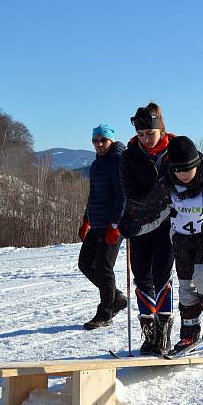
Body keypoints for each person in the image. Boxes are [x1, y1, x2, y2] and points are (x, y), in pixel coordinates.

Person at [118, 103, 175, 356]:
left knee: (162, 273)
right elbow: (131, 192)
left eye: (149, 134)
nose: (145, 139)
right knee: (141, 275)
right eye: (141, 135)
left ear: (161, 129)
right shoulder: (130, 156)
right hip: (141, 223)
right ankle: (149, 330)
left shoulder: (175, 150)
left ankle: (164, 333)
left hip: (168, 224)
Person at [160, 136, 203, 351]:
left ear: (196, 164)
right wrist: (130, 220)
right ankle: (189, 332)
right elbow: (147, 206)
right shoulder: (167, 181)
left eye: (187, 170)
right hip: (181, 237)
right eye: (178, 171)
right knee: (186, 286)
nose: (183, 176)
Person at [77, 124, 127, 330]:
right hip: (96, 222)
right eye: (95, 140)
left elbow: (123, 195)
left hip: (112, 225)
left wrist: (115, 224)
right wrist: (86, 219)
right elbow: (93, 194)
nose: (99, 144)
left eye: (103, 140)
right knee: (85, 263)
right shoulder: (97, 163)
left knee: (104, 267)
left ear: (111, 140)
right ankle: (116, 298)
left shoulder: (117, 161)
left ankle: (105, 312)